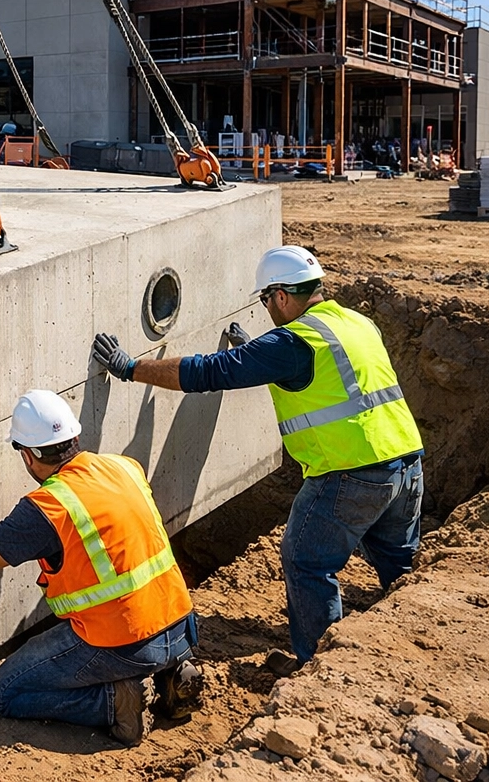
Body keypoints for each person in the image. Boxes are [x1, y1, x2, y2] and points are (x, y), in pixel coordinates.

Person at [91, 245, 424, 675]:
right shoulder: (355, 322)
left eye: (266, 300)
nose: (267, 309)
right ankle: (409, 648)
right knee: (399, 564)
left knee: (306, 561)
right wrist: (259, 356)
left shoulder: (292, 341)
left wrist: (130, 367)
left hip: (349, 472)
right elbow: (328, 379)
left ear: (281, 296)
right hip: (405, 462)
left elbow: (208, 372)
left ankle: (316, 672)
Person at [0, 389, 203, 746]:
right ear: (74, 437)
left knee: (4, 692)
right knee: (129, 639)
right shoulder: (124, 466)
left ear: (28, 456)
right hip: (180, 626)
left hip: (123, 642)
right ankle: (169, 673)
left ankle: (114, 704)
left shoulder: (48, 506)